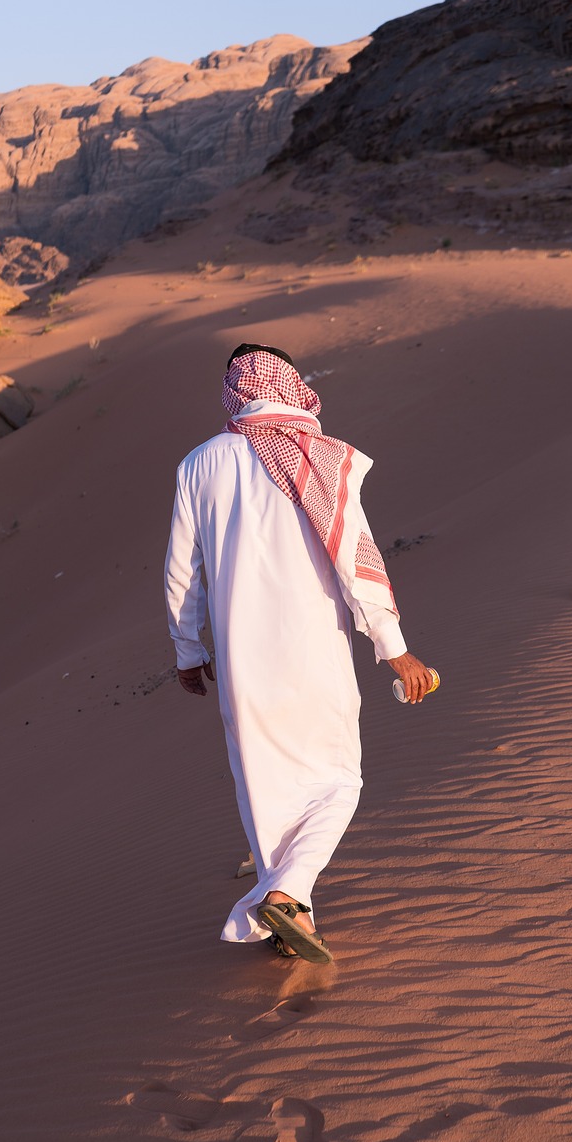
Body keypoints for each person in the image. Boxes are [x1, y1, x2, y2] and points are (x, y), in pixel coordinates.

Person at [164, 344, 432, 963]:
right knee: (338, 781)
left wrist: (187, 652)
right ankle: (287, 894)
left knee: (266, 792)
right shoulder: (319, 458)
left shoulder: (199, 463)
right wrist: (393, 648)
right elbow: (357, 559)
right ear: (292, 387)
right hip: (313, 650)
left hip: (239, 663)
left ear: (235, 390)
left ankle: (291, 914)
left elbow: (184, 573)